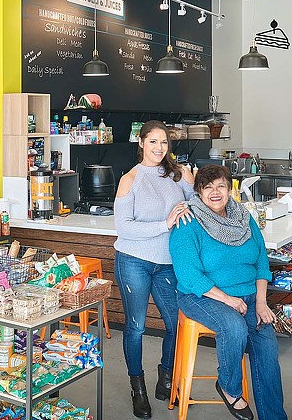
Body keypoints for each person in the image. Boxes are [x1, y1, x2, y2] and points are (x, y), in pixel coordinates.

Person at [170, 165, 287, 420]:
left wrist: (261, 302)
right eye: (207, 187)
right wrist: (228, 299)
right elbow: (188, 275)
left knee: (267, 350)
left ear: (229, 189)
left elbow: (261, 261)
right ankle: (229, 387)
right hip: (201, 296)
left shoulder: (242, 217)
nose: (215, 192)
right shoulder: (188, 222)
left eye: (220, 186)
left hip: (248, 296)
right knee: (234, 328)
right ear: (199, 192)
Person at [113, 120, 195, 418]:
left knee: (176, 324)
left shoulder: (176, 175)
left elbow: (199, 203)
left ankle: (165, 376)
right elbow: (123, 228)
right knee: (136, 327)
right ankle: (138, 389)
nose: (159, 148)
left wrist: (190, 181)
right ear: (141, 143)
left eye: (164, 143)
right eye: (153, 142)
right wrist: (165, 224)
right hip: (133, 259)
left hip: (168, 263)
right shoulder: (130, 179)